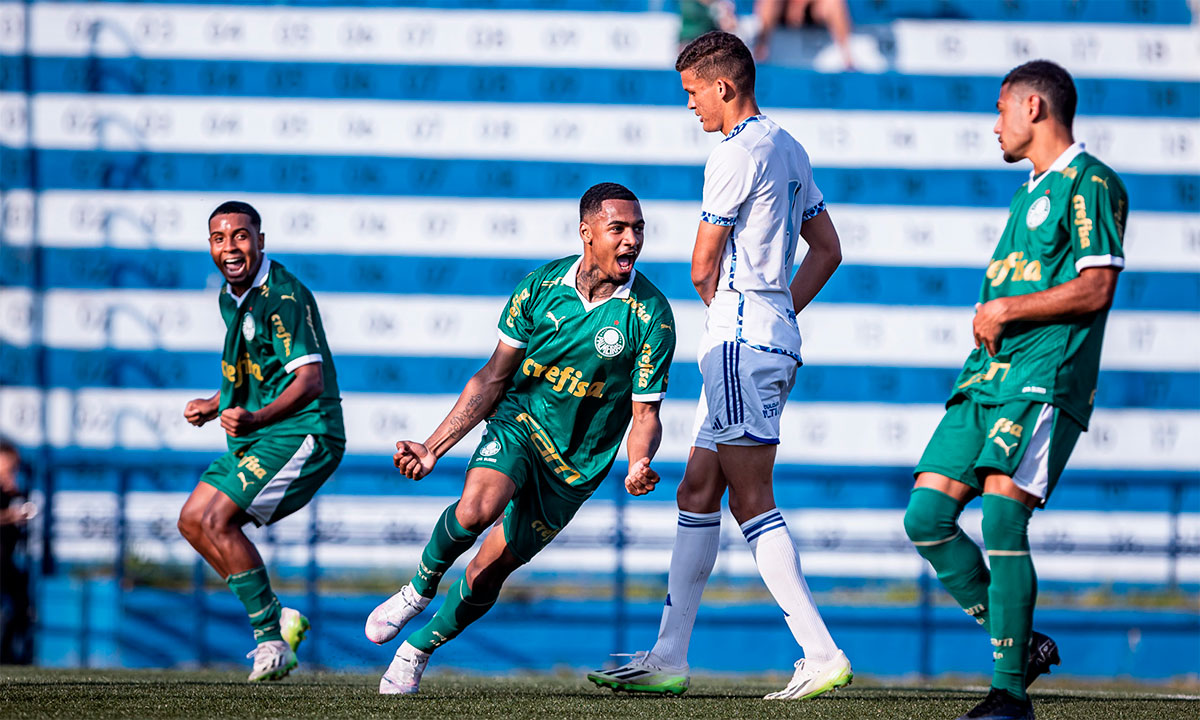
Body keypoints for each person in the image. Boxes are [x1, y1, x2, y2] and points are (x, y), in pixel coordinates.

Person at [587, 31, 848, 700]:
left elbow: (703, 263)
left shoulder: (734, 153)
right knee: (697, 492)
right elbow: (828, 250)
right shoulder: (790, 146)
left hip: (737, 340)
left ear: (724, 87)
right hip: (766, 335)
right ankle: (669, 656)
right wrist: (777, 309)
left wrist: (737, 310)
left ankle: (820, 652)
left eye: (693, 92)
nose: (692, 106)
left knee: (751, 499)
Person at [365, 182, 676, 695]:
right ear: (587, 232)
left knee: (490, 571)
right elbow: (492, 377)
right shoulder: (540, 287)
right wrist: (432, 446)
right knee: (477, 507)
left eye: (638, 229)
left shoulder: (650, 315)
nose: (631, 241)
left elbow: (645, 414)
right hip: (520, 422)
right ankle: (418, 589)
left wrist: (639, 462)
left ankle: (417, 648)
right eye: (618, 229)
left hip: (576, 465)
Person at [904, 60, 1125, 720]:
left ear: (1034, 107)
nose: (993, 124)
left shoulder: (1090, 182)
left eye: (1000, 109)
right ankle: (1019, 643)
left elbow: (1097, 284)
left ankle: (1009, 693)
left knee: (1002, 515)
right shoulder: (1028, 192)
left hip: (1043, 374)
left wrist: (1006, 310)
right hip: (985, 379)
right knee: (926, 518)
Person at [177, 201, 345, 682]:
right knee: (192, 521)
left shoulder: (284, 295)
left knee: (219, 519)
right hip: (264, 431)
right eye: (219, 238)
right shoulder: (231, 297)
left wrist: (254, 418)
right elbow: (258, 373)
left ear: (261, 241)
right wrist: (215, 403)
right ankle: (277, 619)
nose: (230, 247)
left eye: (241, 236)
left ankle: (271, 642)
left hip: (306, 431)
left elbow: (308, 380)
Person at [0, 438, 35, 664]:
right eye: (8, 466)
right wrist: (9, 516)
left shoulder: (13, 493)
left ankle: (10, 656)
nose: (11, 472)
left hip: (5, 562)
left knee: (21, 608)